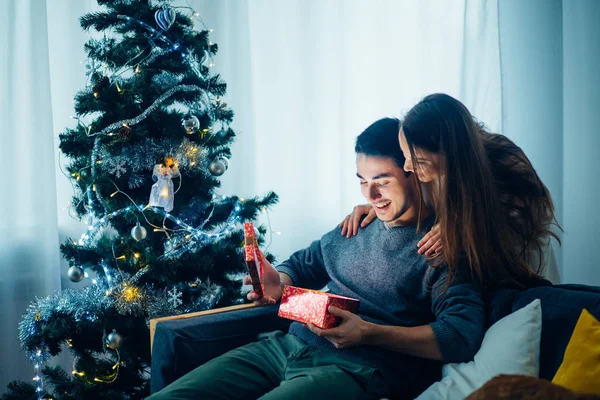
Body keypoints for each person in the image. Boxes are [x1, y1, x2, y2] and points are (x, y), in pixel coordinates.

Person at [147, 118, 485, 400]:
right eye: (363, 181)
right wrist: (277, 281)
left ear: (414, 172)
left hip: (358, 369)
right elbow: (303, 265)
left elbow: (460, 336)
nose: (370, 195)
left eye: (382, 181)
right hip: (286, 346)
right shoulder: (358, 223)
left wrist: (370, 333)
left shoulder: (441, 246)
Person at [340, 94, 561, 289]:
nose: (408, 167)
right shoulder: (427, 170)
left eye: (418, 161)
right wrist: (380, 205)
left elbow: (531, 224)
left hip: (521, 273)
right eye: (406, 156)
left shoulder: (507, 167)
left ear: (450, 155)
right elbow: (415, 200)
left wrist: (463, 228)